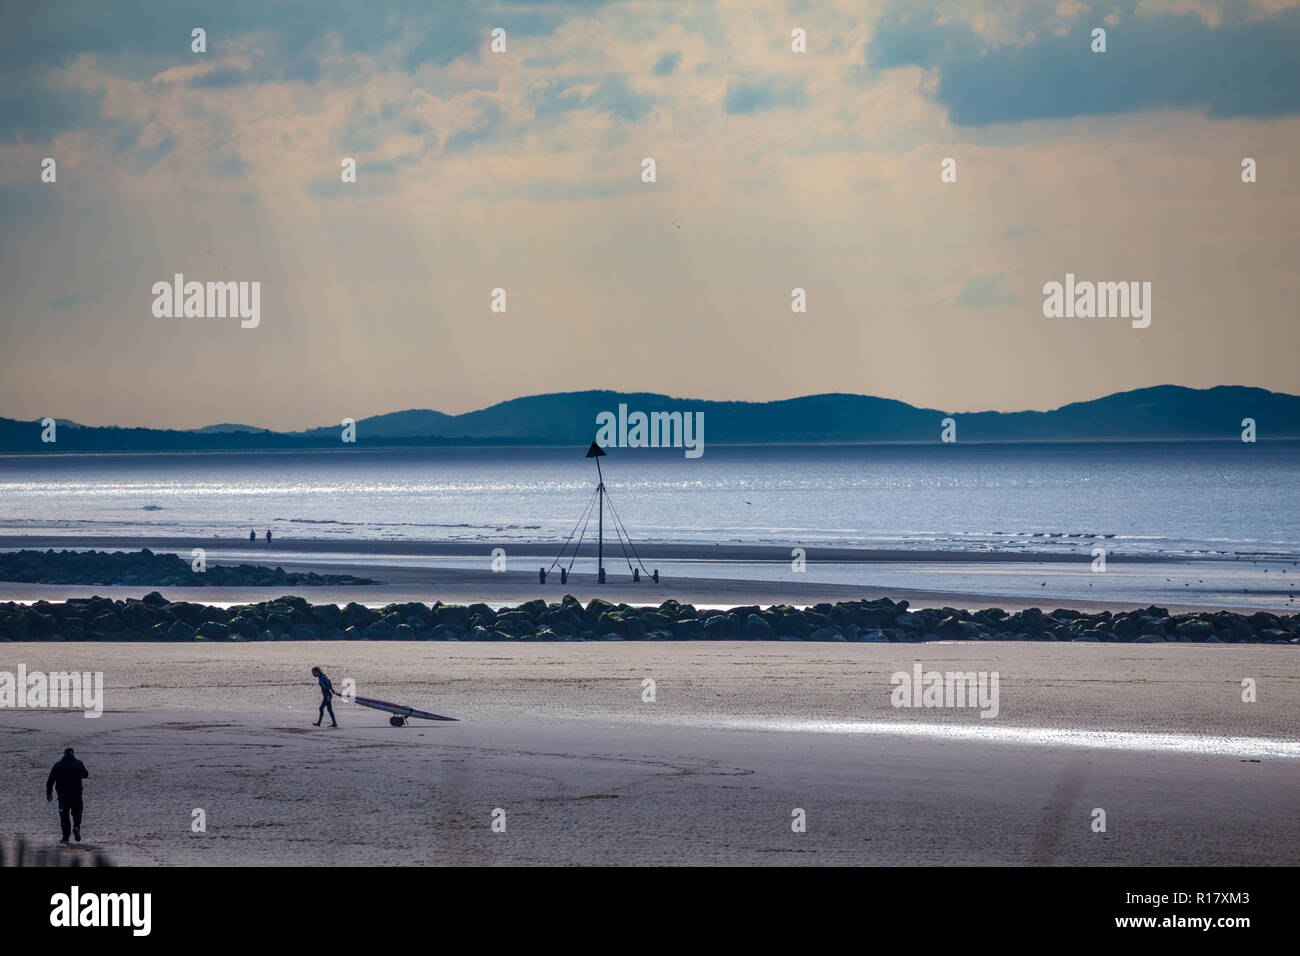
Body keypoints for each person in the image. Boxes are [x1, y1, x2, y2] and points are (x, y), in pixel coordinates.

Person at [46, 748, 89, 844]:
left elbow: (50, 780)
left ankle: (65, 837)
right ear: (73, 754)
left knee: (64, 816)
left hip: (63, 796)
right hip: (76, 794)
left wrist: (49, 793)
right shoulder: (78, 763)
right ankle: (76, 827)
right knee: (77, 812)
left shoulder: (58, 765)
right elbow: (86, 774)